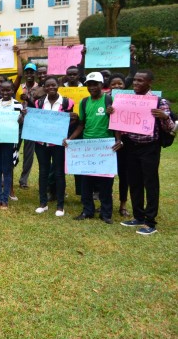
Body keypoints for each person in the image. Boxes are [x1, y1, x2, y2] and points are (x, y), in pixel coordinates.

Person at [118, 70, 174, 235]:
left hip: (149, 148)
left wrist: (164, 116)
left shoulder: (158, 101)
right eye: (134, 80)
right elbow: (120, 122)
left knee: (150, 183)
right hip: (131, 146)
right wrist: (113, 113)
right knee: (134, 182)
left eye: (140, 81)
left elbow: (170, 128)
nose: (135, 83)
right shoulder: (127, 100)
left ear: (149, 83)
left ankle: (150, 222)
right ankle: (138, 216)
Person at [66, 72, 122, 224]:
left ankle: (106, 213)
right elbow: (82, 125)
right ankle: (87, 211)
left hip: (105, 148)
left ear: (101, 85)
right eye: (89, 84)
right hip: (88, 147)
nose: (92, 87)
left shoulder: (109, 100)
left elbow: (116, 122)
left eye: (95, 84)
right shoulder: (84, 102)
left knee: (105, 183)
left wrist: (119, 140)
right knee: (86, 182)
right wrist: (70, 139)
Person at [31, 77, 75, 217]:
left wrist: (72, 117)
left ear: (58, 86)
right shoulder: (38, 103)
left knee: (58, 173)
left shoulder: (67, 102)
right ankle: (43, 203)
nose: (51, 87)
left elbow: (72, 120)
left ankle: (60, 206)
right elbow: (35, 120)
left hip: (58, 143)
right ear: (44, 87)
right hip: (41, 143)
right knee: (43, 172)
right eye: (48, 85)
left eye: (53, 85)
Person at [0, 80, 24, 210]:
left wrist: (22, 120)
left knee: (7, 170)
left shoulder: (18, 105)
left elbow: (20, 125)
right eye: (3, 90)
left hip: (9, 142)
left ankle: (5, 199)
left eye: (8, 90)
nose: (5, 92)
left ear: (13, 91)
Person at [108, 73, 131, 217]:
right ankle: (107, 202)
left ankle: (123, 204)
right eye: (113, 84)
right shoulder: (106, 99)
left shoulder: (132, 99)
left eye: (120, 84)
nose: (117, 86)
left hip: (127, 142)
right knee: (107, 174)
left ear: (125, 85)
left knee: (124, 175)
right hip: (109, 141)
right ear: (109, 86)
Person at [18, 62, 42, 189]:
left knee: (28, 153)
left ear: (35, 74)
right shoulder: (19, 87)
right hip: (18, 122)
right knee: (14, 150)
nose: (29, 74)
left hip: (32, 124)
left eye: (31, 72)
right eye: (27, 72)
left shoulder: (40, 88)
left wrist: (28, 99)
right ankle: (7, 175)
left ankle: (23, 179)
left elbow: (40, 106)